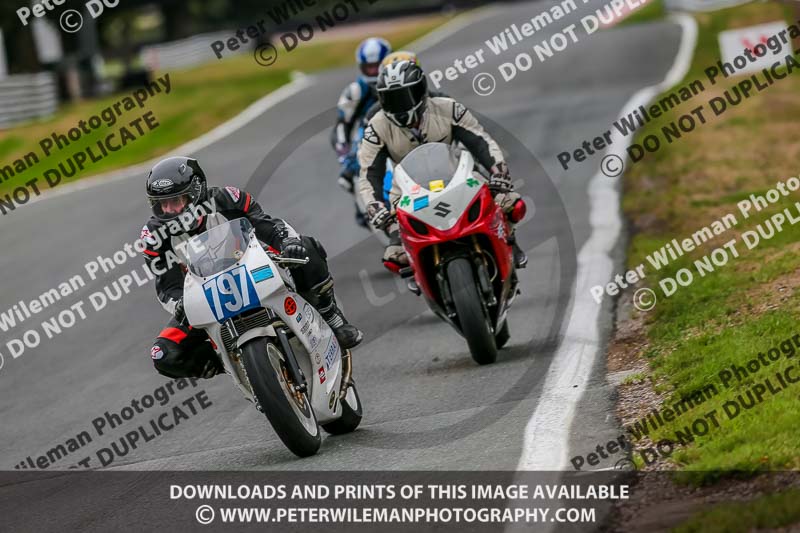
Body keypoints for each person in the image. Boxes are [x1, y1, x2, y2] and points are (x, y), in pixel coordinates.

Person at [141, 156, 363, 379]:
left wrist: (289, 243)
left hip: (254, 268)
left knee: (307, 247)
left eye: (176, 200)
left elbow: (266, 224)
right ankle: (232, 362)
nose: (168, 210)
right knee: (163, 354)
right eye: (162, 204)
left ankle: (331, 315)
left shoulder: (227, 198)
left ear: (196, 193)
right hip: (204, 295)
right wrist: (180, 303)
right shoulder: (154, 237)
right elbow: (166, 286)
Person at [356, 55, 528, 269]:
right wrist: (375, 207)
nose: (398, 105)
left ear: (420, 91)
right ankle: (414, 265)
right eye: (390, 99)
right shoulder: (376, 127)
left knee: (510, 201)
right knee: (393, 253)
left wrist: (499, 173)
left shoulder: (448, 107)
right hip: (407, 187)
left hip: (457, 172)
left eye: (404, 97)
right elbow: (369, 174)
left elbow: (481, 142)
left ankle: (510, 241)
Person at [331, 37, 392, 225]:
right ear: (362, 67)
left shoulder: (398, 79)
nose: (373, 72)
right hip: (369, 136)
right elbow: (341, 126)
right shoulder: (355, 91)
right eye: (369, 67)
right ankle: (364, 208)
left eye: (377, 66)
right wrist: (344, 155)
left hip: (398, 130)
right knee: (346, 176)